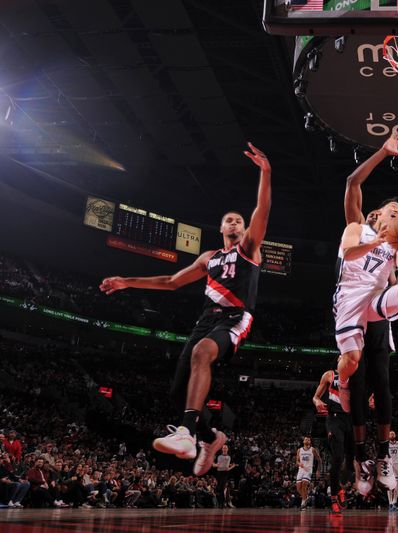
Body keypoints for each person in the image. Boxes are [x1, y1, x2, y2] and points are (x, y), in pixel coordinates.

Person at [100, 142, 273, 476]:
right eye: (229, 221)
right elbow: (171, 281)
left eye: (238, 220)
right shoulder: (208, 258)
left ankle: (187, 434)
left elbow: (261, 212)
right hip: (205, 321)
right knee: (177, 392)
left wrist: (265, 173)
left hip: (236, 317)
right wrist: (126, 281)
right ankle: (210, 437)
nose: (235, 223)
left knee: (202, 354)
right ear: (222, 229)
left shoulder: (250, 249)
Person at [341, 133, 398, 496]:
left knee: (383, 384)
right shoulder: (358, 225)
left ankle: (386, 456)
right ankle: (361, 458)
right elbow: (352, 182)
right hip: (351, 307)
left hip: (377, 315)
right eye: (393, 211)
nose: (397, 217)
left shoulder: (394, 247)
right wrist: (383, 152)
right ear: (378, 213)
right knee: (357, 383)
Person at [312, 364, 355, 514]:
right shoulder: (330, 374)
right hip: (334, 419)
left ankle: (341, 487)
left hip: (351, 420)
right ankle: (334, 497)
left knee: (351, 461)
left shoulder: (356, 375)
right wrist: (317, 401)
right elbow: (316, 396)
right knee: (337, 457)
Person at [296, 436, 321, 511]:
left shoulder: (313, 449)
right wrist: (299, 463)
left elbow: (319, 460)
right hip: (301, 469)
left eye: (309, 440)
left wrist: (318, 470)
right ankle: (305, 497)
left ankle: (303, 503)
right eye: (306, 439)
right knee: (298, 488)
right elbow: (297, 460)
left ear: (310, 442)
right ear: (303, 441)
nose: (307, 440)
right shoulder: (299, 450)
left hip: (308, 470)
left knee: (304, 485)